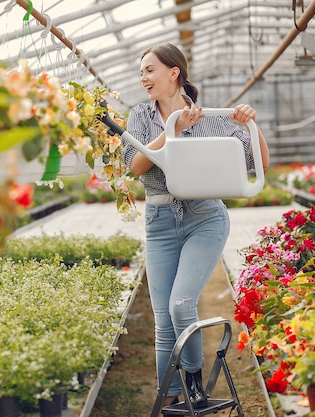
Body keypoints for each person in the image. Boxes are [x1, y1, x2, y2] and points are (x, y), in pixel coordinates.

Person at [121, 43, 270, 410]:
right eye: (141, 72)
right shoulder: (140, 115)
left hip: (204, 218)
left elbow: (258, 161)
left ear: (174, 73)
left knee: (180, 304)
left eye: (150, 70)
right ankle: (170, 398)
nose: (143, 78)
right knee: (163, 322)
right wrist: (172, 130)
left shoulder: (211, 117)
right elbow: (134, 165)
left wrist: (252, 124)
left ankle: (193, 385)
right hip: (159, 221)